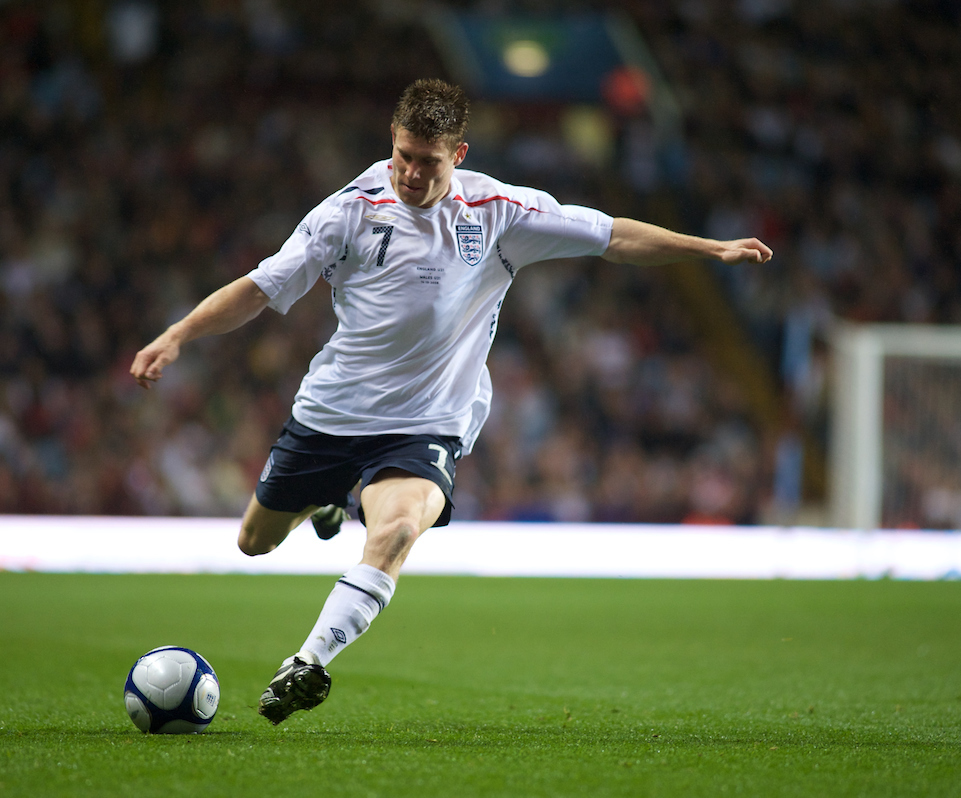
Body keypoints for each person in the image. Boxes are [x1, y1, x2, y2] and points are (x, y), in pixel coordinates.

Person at [130, 79, 772, 725]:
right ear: (392, 143)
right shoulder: (345, 212)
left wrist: (709, 248)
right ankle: (327, 500)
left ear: (457, 155)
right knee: (254, 542)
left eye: (427, 161)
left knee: (400, 529)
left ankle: (309, 660)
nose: (410, 172)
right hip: (333, 412)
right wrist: (178, 334)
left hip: (429, 418)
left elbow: (611, 235)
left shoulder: (499, 212)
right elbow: (260, 288)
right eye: (402, 155)